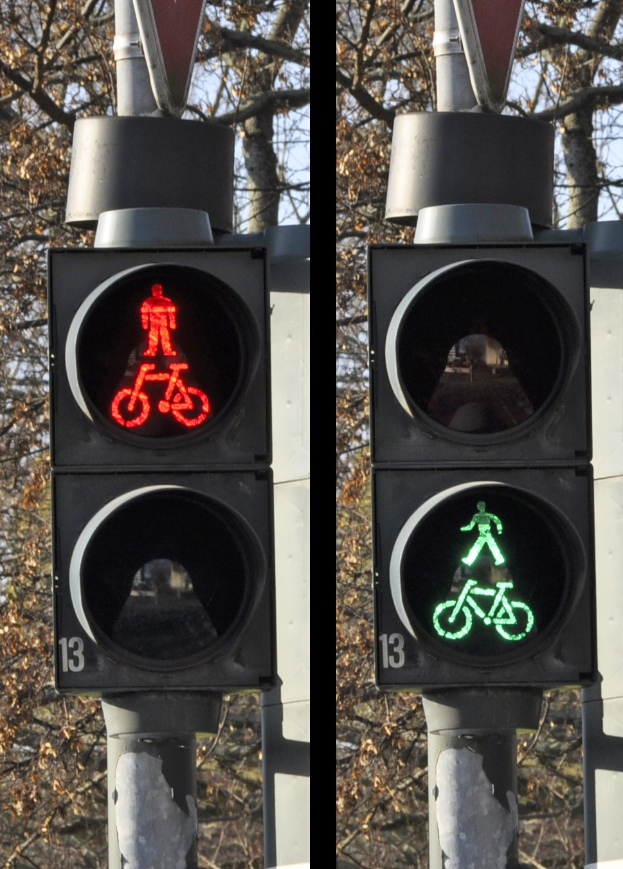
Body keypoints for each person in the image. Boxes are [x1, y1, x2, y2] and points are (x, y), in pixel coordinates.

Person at [460, 501, 505, 566]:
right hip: (485, 534)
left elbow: (470, 527)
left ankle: (469, 560)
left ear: (478, 507)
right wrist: (499, 529)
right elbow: (497, 520)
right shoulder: (485, 515)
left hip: (485, 534)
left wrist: (462, 528)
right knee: (491, 546)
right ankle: (499, 559)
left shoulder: (478, 516)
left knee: (477, 547)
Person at [140, 283, 177, 357]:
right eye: (155, 290)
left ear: (161, 291)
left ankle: (167, 351)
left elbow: (171, 312)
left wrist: (172, 323)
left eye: (158, 290)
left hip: (162, 322)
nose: (157, 292)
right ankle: (152, 351)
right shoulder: (149, 301)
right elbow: (144, 312)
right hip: (155, 322)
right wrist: (145, 324)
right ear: (153, 291)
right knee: (154, 336)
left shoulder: (166, 301)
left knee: (164, 336)